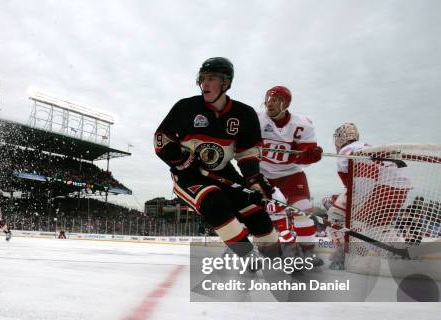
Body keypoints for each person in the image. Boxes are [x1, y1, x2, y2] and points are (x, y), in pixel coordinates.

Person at [154, 57, 285, 265]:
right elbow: (161, 140)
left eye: (212, 78)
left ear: (226, 83)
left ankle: (278, 260)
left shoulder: (245, 114)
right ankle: (248, 259)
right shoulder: (185, 108)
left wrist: (253, 179)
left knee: (255, 211)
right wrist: (181, 159)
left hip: (224, 172)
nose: (205, 83)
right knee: (213, 201)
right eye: (203, 78)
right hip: (188, 175)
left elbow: (246, 152)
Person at [322, 123, 410, 269]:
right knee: (379, 227)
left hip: (377, 189)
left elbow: (364, 177)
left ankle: (349, 257)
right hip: (400, 191)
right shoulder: (369, 146)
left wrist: (350, 206)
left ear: (340, 138)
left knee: (337, 217)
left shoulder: (347, 151)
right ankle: (401, 256)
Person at [258, 85, 324, 265]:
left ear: (286, 104)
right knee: (258, 214)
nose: (270, 104)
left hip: (291, 173)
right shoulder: (257, 120)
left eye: (276, 100)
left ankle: (308, 252)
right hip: (263, 174)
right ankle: (256, 249)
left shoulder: (301, 124)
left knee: (302, 210)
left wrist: (308, 156)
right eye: (268, 100)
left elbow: (306, 160)